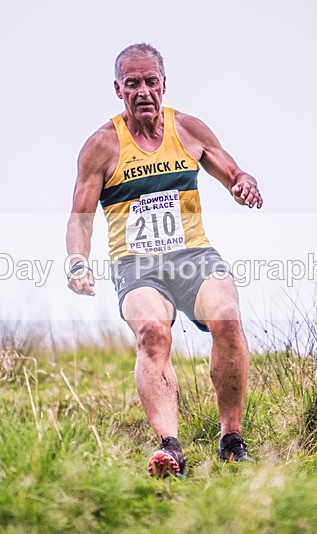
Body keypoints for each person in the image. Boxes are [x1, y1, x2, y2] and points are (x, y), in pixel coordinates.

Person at [66, 43, 262, 477]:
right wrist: (77, 262)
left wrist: (244, 182)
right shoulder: (101, 146)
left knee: (228, 318)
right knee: (153, 332)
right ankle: (169, 449)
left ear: (163, 84)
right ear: (118, 89)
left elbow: (233, 172)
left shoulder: (188, 130)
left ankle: (232, 440)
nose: (143, 92)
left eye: (150, 82)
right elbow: (79, 218)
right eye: (132, 84)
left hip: (193, 255)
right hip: (137, 266)